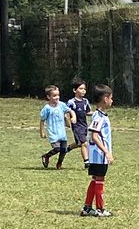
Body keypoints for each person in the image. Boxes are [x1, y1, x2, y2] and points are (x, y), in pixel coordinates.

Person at [80, 85, 114, 218]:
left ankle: (87, 208)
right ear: (105, 99)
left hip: (95, 155)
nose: (112, 100)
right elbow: (94, 136)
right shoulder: (99, 117)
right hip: (99, 156)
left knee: (95, 180)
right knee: (99, 180)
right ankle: (100, 209)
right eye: (111, 98)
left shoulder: (98, 115)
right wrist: (106, 152)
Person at [40, 85, 75, 170]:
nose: (57, 97)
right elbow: (42, 120)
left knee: (64, 150)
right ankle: (46, 156)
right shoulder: (47, 108)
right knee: (57, 148)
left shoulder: (61, 105)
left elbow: (70, 111)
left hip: (62, 133)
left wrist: (73, 117)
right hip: (53, 133)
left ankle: (59, 164)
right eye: (54, 95)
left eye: (58, 95)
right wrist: (42, 132)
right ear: (49, 97)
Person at [67, 78, 92, 167]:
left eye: (84, 89)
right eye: (81, 88)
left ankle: (67, 148)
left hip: (84, 125)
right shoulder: (71, 102)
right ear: (74, 90)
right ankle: (87, 162)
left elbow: (88, 112)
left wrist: (97, 113)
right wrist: (70, 119)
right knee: (84, 143)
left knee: (79, 143)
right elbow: (67, 112)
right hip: (76, 127)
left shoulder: (85, 101)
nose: (83, 90)